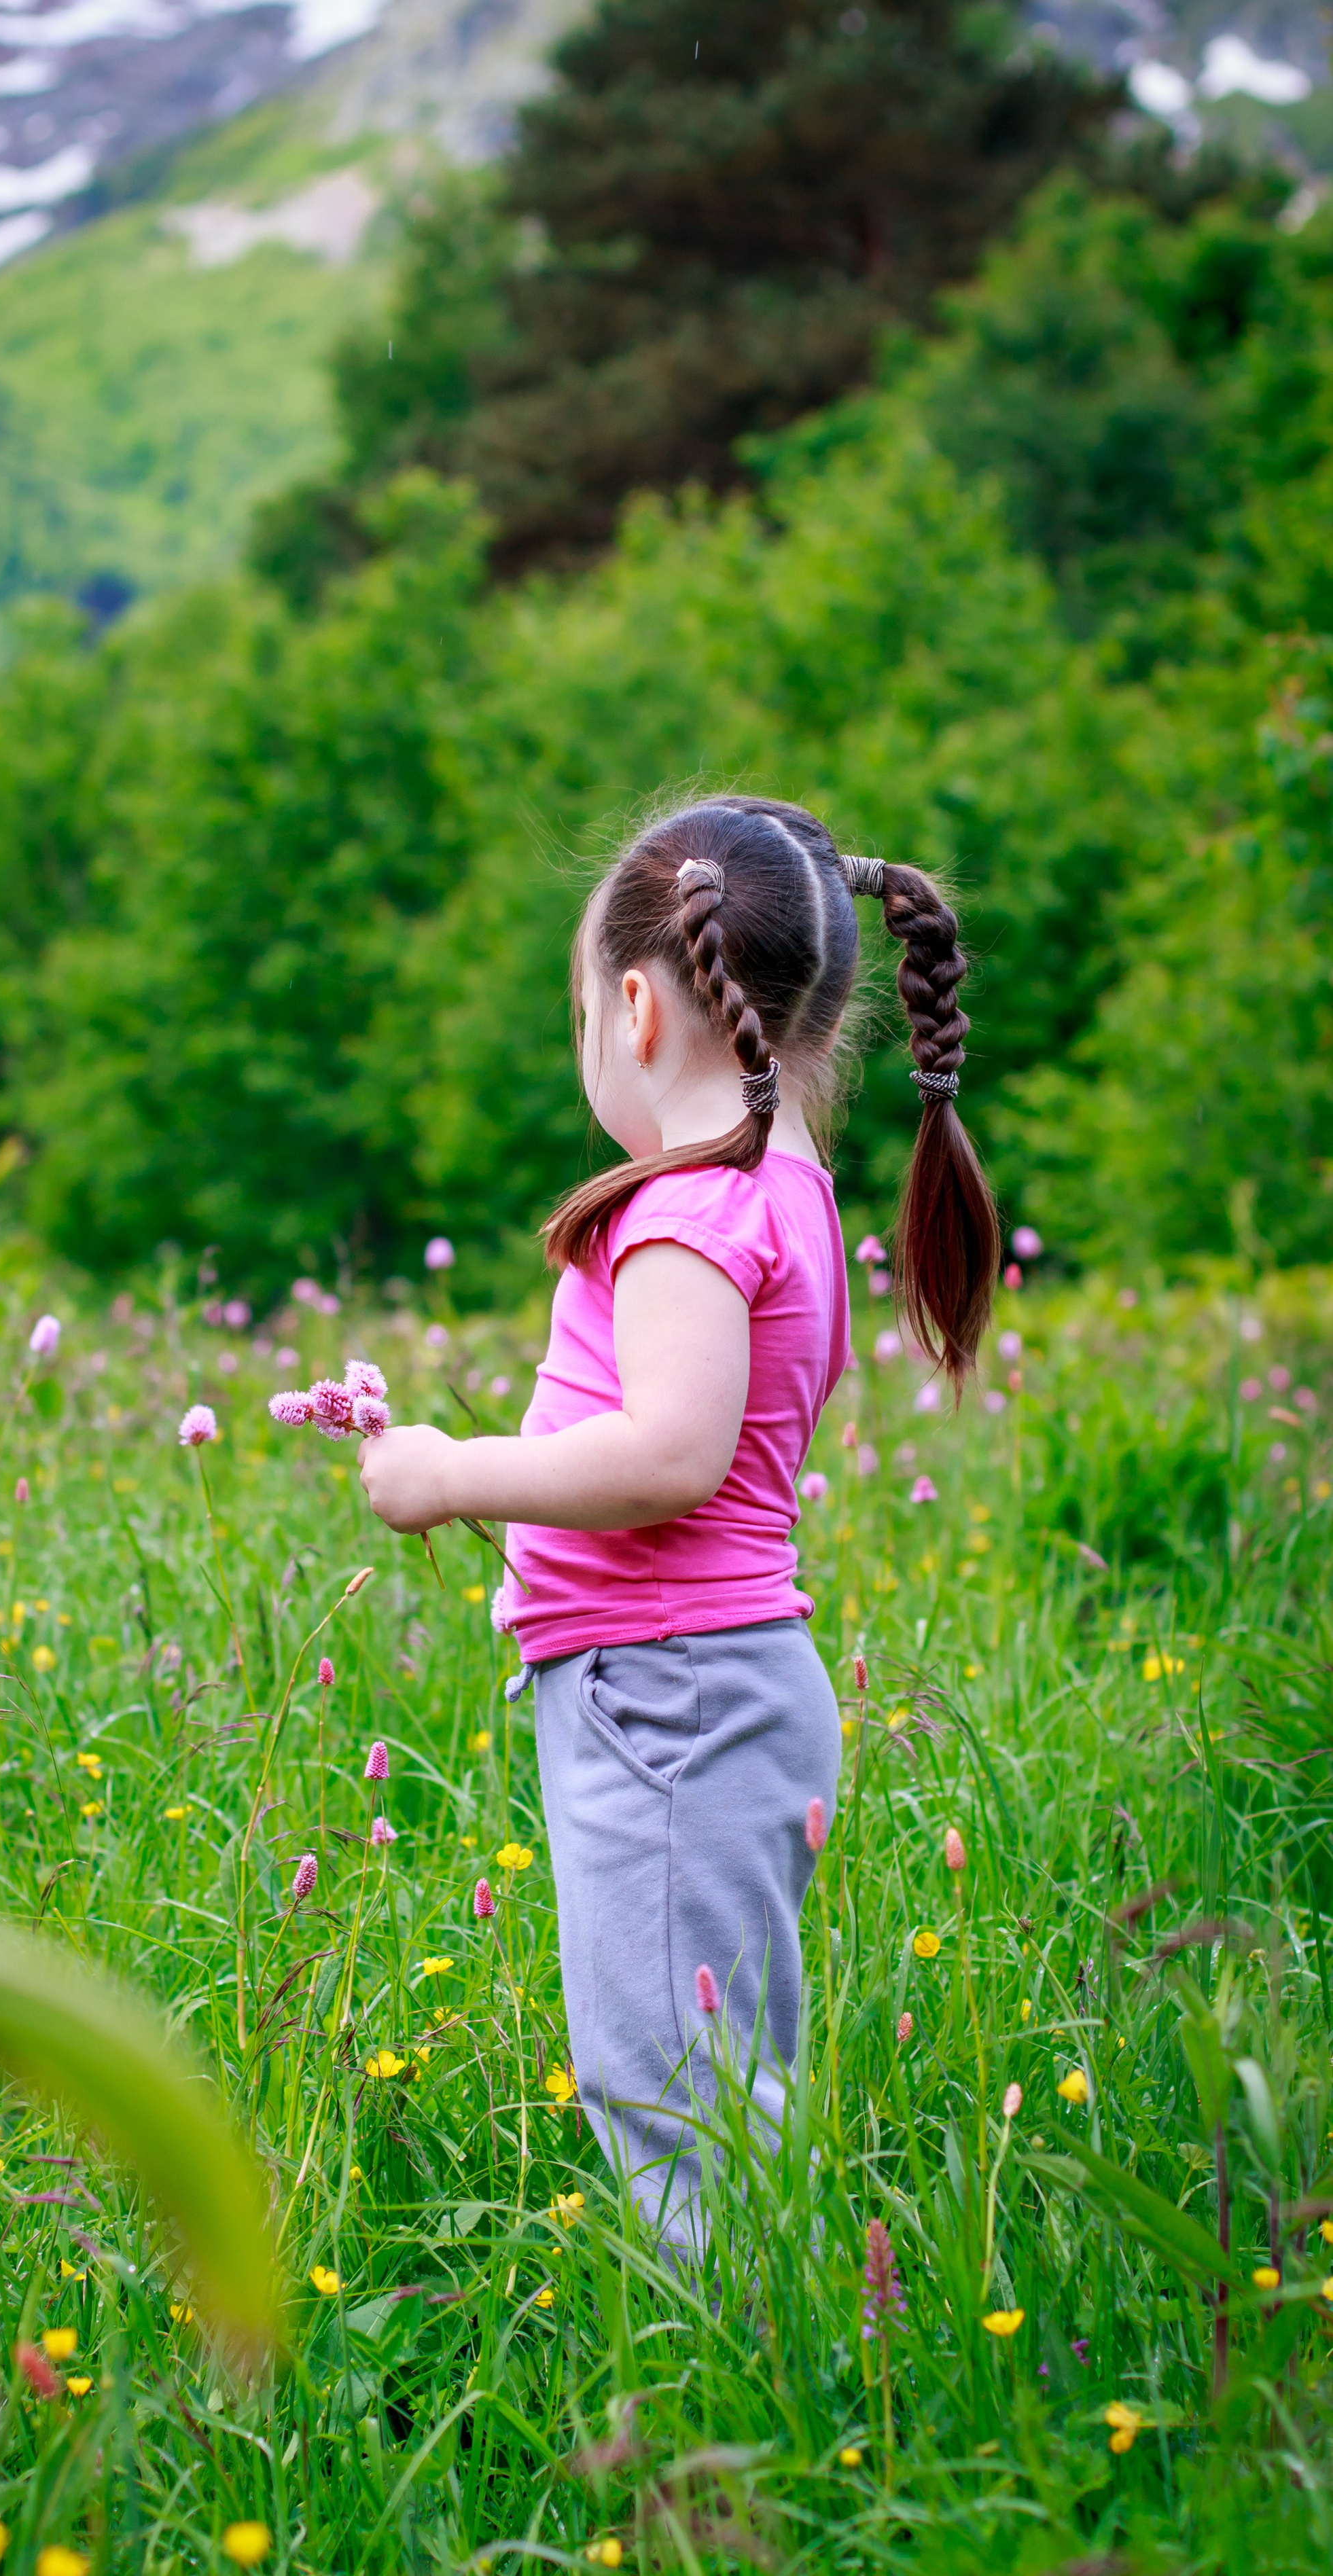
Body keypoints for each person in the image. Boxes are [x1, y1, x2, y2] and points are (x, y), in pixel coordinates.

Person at [359, 795, 998, 2244]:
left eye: (578, 1007)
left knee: (669, 2096)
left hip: (669, 1699)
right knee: (718, 2077)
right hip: (705, 1679)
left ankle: (748, 2394)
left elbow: (668, 1458)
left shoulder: (685, 1214)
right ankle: (789, 2352)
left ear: (636, 1006)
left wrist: (454, 1471)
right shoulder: (783, 1193)